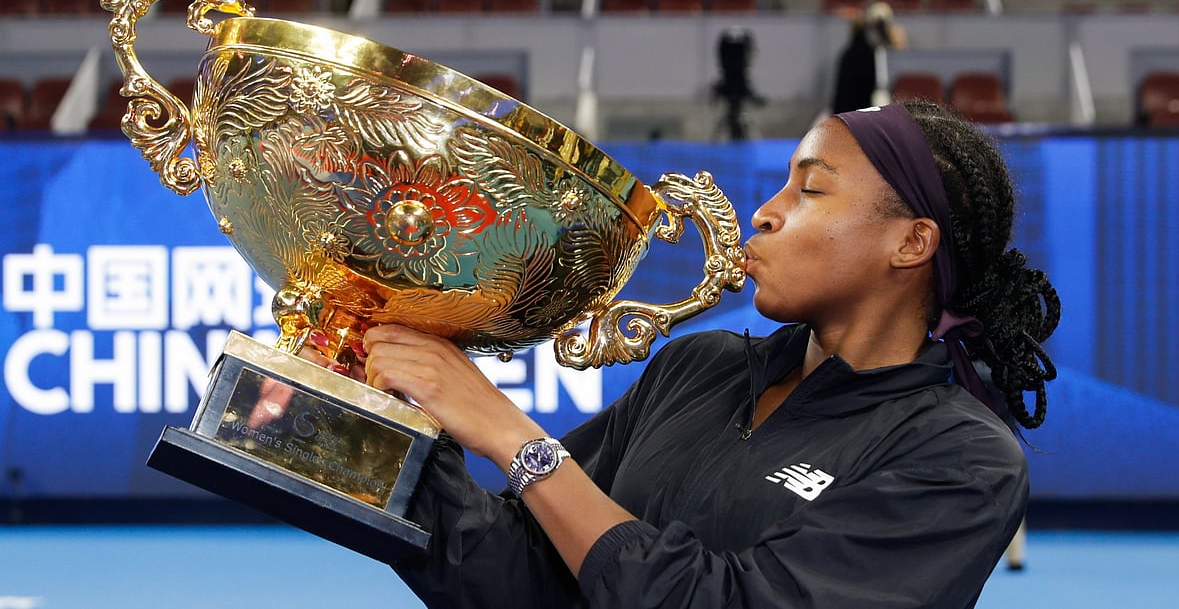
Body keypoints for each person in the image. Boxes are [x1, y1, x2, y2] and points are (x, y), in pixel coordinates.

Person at [314, 99, 1060, 607]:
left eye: (811, 190)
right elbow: (522, 574)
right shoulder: (699, 365)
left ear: (911, 242)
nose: (766, 212)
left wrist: (517, 440)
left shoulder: (963, 459)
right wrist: (380, 425)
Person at [831, 2, 908, 114]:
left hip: (854, 114)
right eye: (879, 27)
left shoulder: (868, 52)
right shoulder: (860, 54)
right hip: (854, 114)